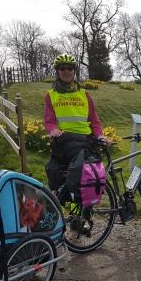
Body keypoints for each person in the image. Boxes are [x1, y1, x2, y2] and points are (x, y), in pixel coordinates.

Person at [44, 53, 110, 193]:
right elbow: (49, 121)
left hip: (84, 141)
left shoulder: (85, 94)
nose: (66, 71)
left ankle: (83, 208)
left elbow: (94, 120)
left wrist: (100, 136)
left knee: (85, 175)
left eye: (70, 68)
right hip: (64, 141)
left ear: (74, 71)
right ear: (58, 71)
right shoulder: (51, 95)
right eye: (62, 68)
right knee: (58, 174)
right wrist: (53, 130)